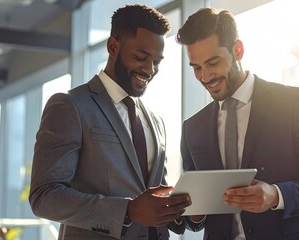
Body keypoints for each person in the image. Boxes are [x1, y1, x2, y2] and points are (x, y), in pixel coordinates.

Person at [176, 7, 299, 240]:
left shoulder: (291, 102)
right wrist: (193, 211)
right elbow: (194, 217)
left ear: (238, 50)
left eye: (213, 63)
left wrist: (275, 195)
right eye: (196, 68)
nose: (205, 77)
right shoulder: (192, 127)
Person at [29, 4, 191, 240]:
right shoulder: (70, 106)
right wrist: (126, 211)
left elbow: (155, 196)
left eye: (157, 61)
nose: (150, 69)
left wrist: (185, 210)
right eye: (141, 57)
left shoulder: (156, 121)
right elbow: (44, 196)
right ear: (113, 47)